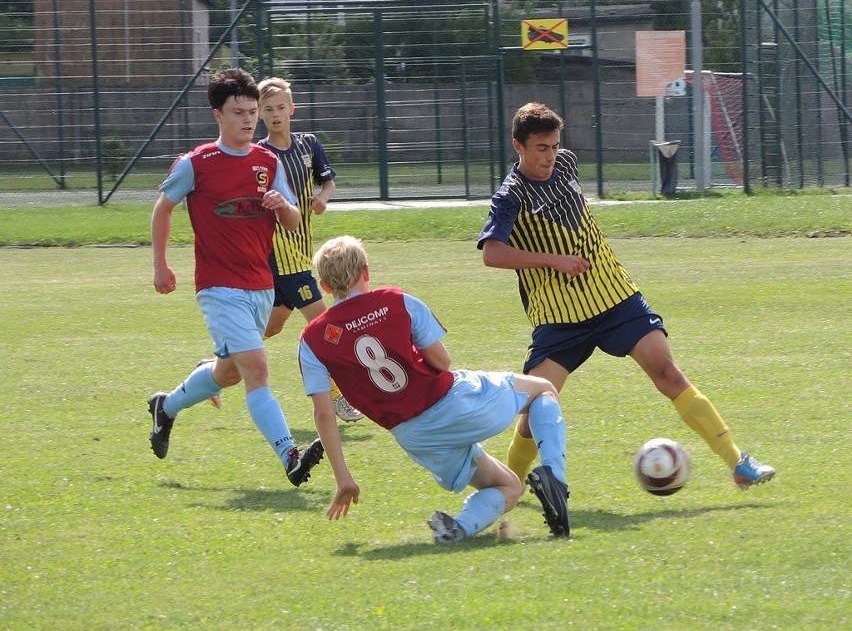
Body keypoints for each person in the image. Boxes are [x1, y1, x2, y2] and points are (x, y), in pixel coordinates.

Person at [477, 102, 776, 491]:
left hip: (615, 296)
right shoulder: (510, 196)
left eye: (553, 145)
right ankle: (509, 487)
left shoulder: (566, 164)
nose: (550, 156)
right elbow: (491, 253)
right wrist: (554, 260)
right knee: (536, 409)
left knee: (669, 374)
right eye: (540, 148)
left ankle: (738, 462)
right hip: (560, 316)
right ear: (518, 146)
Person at [298, 235, 571, 542]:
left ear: (324, 286)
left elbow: (324, 414)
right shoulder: (395, 300)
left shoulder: (311, 340)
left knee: (509, 487)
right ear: (366, 271)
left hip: (415, 436)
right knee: (544, 389)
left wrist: (344, 478)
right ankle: (555, 479)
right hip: (450, 401)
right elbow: (441, 361)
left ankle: (456, 528)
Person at [147, 67, 325, 487]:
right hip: (218, 288)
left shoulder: (267, 161)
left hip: (261, 285)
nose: (249, 119)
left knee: (228, 373)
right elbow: (162, 208)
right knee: (258, 369)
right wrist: (160, 264)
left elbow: (293, 221)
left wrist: (282, 204)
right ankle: (291, 456)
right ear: (218, 116)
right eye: (239, 112)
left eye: (251, 111)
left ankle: (166, 407)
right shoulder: (197, 163)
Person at [255, 76, 363, 423]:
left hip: (301, 249)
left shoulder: (308, 144)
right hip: (282, 256)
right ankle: (336, 395)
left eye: (281, 107)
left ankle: (218, 365)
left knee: (270, 329)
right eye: (268, 109)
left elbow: (328, 180)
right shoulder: (260, 155)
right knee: (324, 325)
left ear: (292, 109)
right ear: (259, 114)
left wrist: (322, 198)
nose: (275, 114)